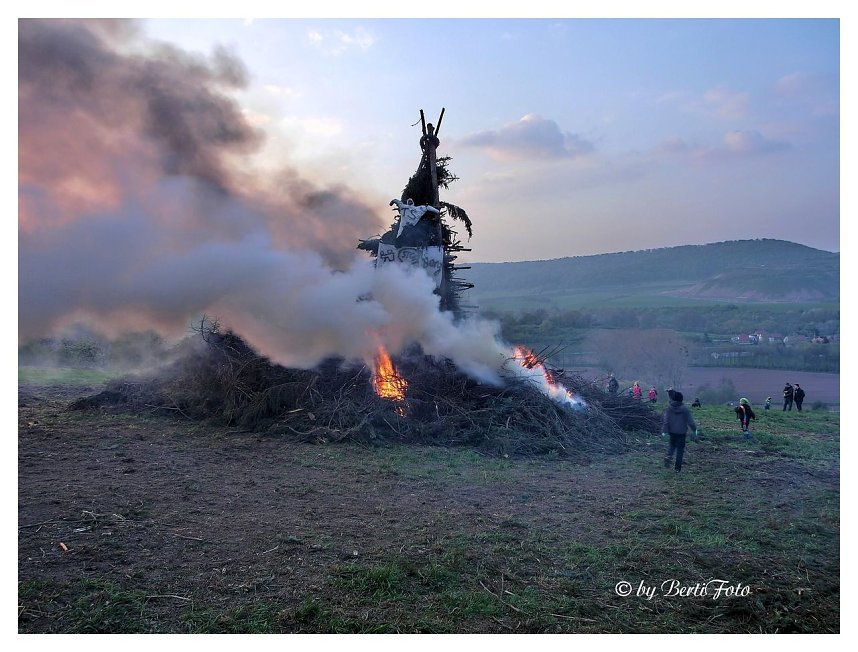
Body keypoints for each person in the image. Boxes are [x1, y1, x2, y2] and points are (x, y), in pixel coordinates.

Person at [661, 391, 698, 473]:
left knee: (672, 446)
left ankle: (668, 456)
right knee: (680, 450)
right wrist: (695, 430)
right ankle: (677, 469)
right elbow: (690, 422)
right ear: (681, 399)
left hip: (672, 432)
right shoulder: (685, 409)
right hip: (682, 433)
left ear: (673, 398)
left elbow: (666, 421)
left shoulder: (669, 408)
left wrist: (664, 431)